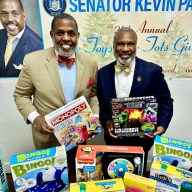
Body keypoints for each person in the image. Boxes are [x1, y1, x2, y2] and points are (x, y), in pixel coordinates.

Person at [13, 13, 99, 181]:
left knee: (77, 181)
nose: (66, 38)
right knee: (50, 181)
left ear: (77, 36)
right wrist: (35, 118)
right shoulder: (32, 61)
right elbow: (21, 95)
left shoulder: (90, 63)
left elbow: (93, 95)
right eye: (60, 33)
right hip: (47, 139)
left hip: (79, 138)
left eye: (71, 33)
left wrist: (94, 118)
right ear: (52, 34)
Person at [97, 27, 173, 172]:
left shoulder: (152, 71)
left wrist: (161, 126)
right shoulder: (102, 73)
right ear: (113, 46)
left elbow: (165, 101)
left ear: (136, 46)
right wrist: (107, 120)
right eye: (120, 44)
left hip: (142, 140)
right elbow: (101, 103)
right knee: (114, 176)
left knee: (138, 179)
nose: (125, 49)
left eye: (130, 44)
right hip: (114, 139)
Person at [0, 0, 42, 77]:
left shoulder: (38, 47)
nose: (9, 19)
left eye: (15, 14)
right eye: (4, 14)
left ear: (24, 16)